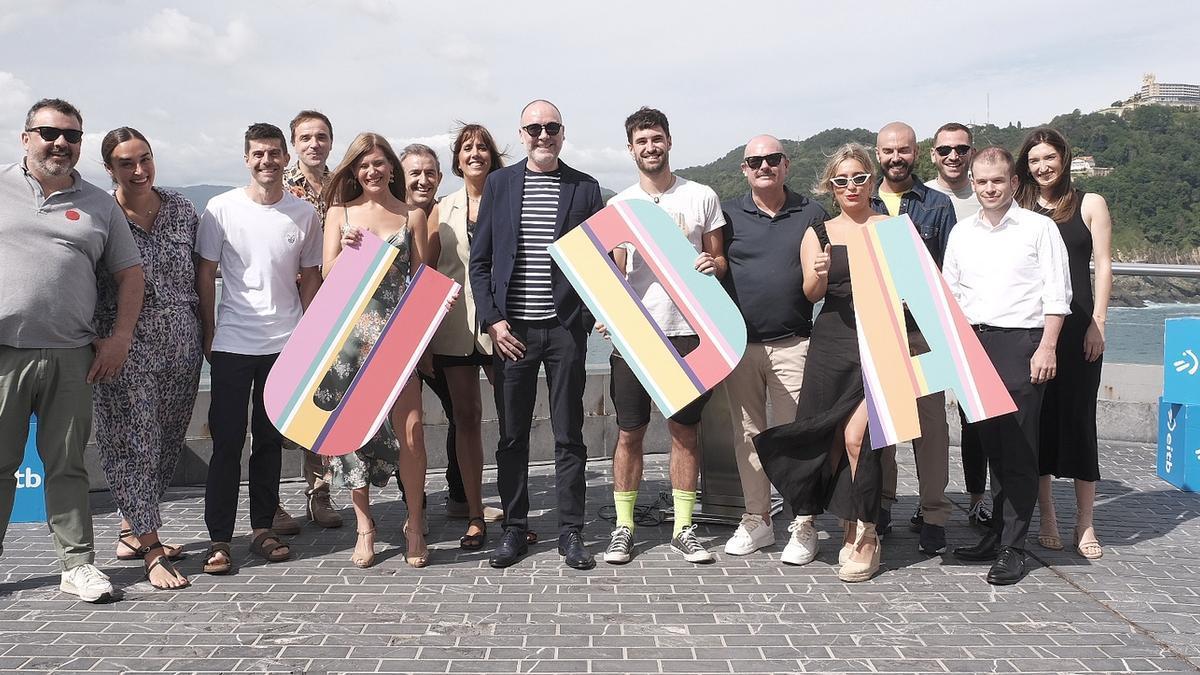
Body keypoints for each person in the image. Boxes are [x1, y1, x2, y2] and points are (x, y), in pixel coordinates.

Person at [0, 98, 144, 603]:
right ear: (25, 138)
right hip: (5, 354)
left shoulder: (100, 203)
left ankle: (77, 565)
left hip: (71, 354)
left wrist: (121, 336)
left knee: (66, 466)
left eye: (72, 136)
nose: (60, 143)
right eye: (48, 133)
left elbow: (129, 273)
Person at [469, 99, 604, 570]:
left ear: (563, 133)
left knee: (569, 435)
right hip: (513, 332)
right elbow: (481, 262)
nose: (543, 135)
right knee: (512, 437)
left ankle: (570, 532)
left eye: (552, 127)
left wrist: (585, 320)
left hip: (565, 331)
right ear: (521, 134)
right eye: (534, 128)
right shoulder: (500, 185)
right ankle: (513, 529)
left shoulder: (585, 188)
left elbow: (599, 262)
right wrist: (493, 321)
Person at [755, 143, 890, 582]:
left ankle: (869, 532)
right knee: (828, 440)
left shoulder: (894, 228)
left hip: (881, 342)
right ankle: (846, 524)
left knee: (858, 438)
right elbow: (812, 294)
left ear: (872, 180)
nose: (851, 186)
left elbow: (914, 292)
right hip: (832, 345)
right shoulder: (820, 230)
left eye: (859, 178)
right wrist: (819, 270)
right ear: (830, 187)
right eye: (841, 180)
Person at [196, 123, 323, 574]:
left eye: (274, 153)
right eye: (258, 154)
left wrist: (311, 337)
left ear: (286, 157)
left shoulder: (303, 214)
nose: (266, 161)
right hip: (232, 343)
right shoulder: (220, 209)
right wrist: (208, 333)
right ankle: (218, 539)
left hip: (285, 345)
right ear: (246, 158)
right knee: (228, 442)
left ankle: (263, 529)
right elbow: (205, 274)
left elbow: (310, 277)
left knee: (270, 442)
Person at [601, 107, 726, 565]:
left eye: (656, 139)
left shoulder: (702, 196)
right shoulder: (620, 204)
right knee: (629, 433)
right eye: (641, 141)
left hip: (689, 331)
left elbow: (720, 259)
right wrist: (607, 311)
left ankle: (683, 528)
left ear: (669, 142)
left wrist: (714, 265)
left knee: (684, 433)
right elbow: (614, 269)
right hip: (637, 334)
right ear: (631, 149)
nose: (650, 147)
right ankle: (624, 527)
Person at [946, 146, 1071, 585]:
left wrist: (1048, 347)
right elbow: (952, 294)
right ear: (973, 183)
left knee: (1019, 450)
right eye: (981, 182)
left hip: (1022, 344)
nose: (989, 188)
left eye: (997, 180)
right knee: (992, 447)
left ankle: (1014, 548)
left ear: (1014, 182)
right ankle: (996, 534)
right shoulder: (962, 232)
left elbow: (1058, 294)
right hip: (974, 344)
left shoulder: (1039, 229)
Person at [320, 133, 435, 568]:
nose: (372, 171)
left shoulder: (413, 216)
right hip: (349, 339)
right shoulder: (339, 213)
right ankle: (365, 526)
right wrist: (346, 253)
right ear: (354, 170)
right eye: (363, 165)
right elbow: (327, 273)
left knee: (412, 433)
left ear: (392, 168)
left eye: (379, 163)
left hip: (397, 339)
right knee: (352, 437)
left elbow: (422, 279)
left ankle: (415, 522)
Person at [93, 127, 200, 591]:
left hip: (182, 340)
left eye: (145, 160)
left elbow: (204, 272)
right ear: (109, 169)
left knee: (166, 440)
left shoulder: (180, 207)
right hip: (124, 343)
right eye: (125, 164)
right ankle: (153, 550)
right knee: (131, 441)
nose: (138, 171)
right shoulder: (101, 213)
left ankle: (131, 529)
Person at [719, 135, 827, 557]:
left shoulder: (811, 212)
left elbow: (818, 281)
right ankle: (757, 520)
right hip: (739, 346)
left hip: (793, 344)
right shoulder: (726, 214)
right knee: (747, 437)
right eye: (755, 161)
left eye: (772, 159)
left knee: (796, 438)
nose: (764, 166)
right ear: (744, 169)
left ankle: (804, 522)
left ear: (786, 164)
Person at [1016, 127, 1113, 560]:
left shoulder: (1090, 204)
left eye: (1049, 157)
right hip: (1033, 329)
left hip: (1078, 331)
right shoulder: (1021, 206)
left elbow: (1104, 266)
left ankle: (1085, 522)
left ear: (1064, 158)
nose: (1042, 166)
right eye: (1035, 160)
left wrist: (1098, 322)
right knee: (1039, 423)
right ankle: (1048, 516)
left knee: (1079, 420)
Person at [870, 122, 956, 556]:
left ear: (915, 153)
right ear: (878, 153)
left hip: (925, 330)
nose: (895, 158)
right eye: (887, 151)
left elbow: (951, 270)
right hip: (875, 327)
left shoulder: (938, 206)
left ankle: (934, 513)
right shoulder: (860, 200)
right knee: (883, 423)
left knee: (931, 428)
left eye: (902, 150)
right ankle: (882, 505)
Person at [427, 125, 508, 550]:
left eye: (482, 147)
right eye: (466, 148)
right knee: (466, 418)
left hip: (503, 328)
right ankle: (475, 513)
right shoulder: (442, 209)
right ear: (456, 160)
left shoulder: (511, 199)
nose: (475, 153)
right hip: (455, 328)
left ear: (493, 156)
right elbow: (425, 273)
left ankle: (515, 508)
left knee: (512, 417)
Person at [399, 142, 487, 528]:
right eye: (414, 173)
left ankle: (457, 495)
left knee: (459, 413)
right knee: (405, 426)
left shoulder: (439, 213)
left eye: (430, 172)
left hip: (434, 336)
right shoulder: (395, 215)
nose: (423, 179)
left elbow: (432, 279)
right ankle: (411, 509)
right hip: (398, 338)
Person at [924, 122, 992, 532]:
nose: (953, 156)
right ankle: (928, 499)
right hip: (928, 323)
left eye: (961, 149)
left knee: (975, 417)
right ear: (933, 154)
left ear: (971, 152)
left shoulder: (986, 193)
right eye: (945, 150)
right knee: (926, 419)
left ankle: (977, 499)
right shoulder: (922, 199)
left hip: (976, 322)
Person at [277, 109, 341, 531]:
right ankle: (268, 499)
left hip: (334, 305)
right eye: (305, 138)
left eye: (320, 137)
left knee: (322, 405)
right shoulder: (278, 187)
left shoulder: (344, 184)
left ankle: (320, 493)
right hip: (288, 307)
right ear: (293, 144)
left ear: (331, 142)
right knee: (279, 404)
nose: (313, 144)